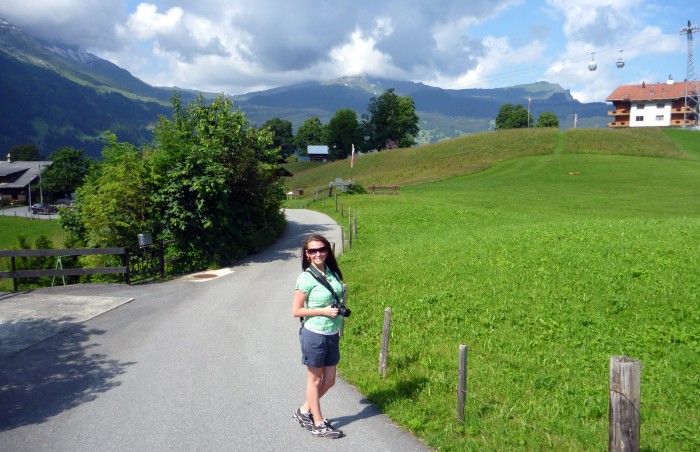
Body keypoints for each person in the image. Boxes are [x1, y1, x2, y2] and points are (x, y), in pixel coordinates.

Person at [291, 234, 344, 439]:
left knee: (329, 380)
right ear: (307, 254)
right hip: (314, 334)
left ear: (327, 251)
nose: (318, 253)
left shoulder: (332, 272)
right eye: (313, 251)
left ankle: (303, 412)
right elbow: (296, 311)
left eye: (321, 249)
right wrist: (322, 311)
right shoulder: (305, 278)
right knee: (314, 381)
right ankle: (318, 423)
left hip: (332, 333)